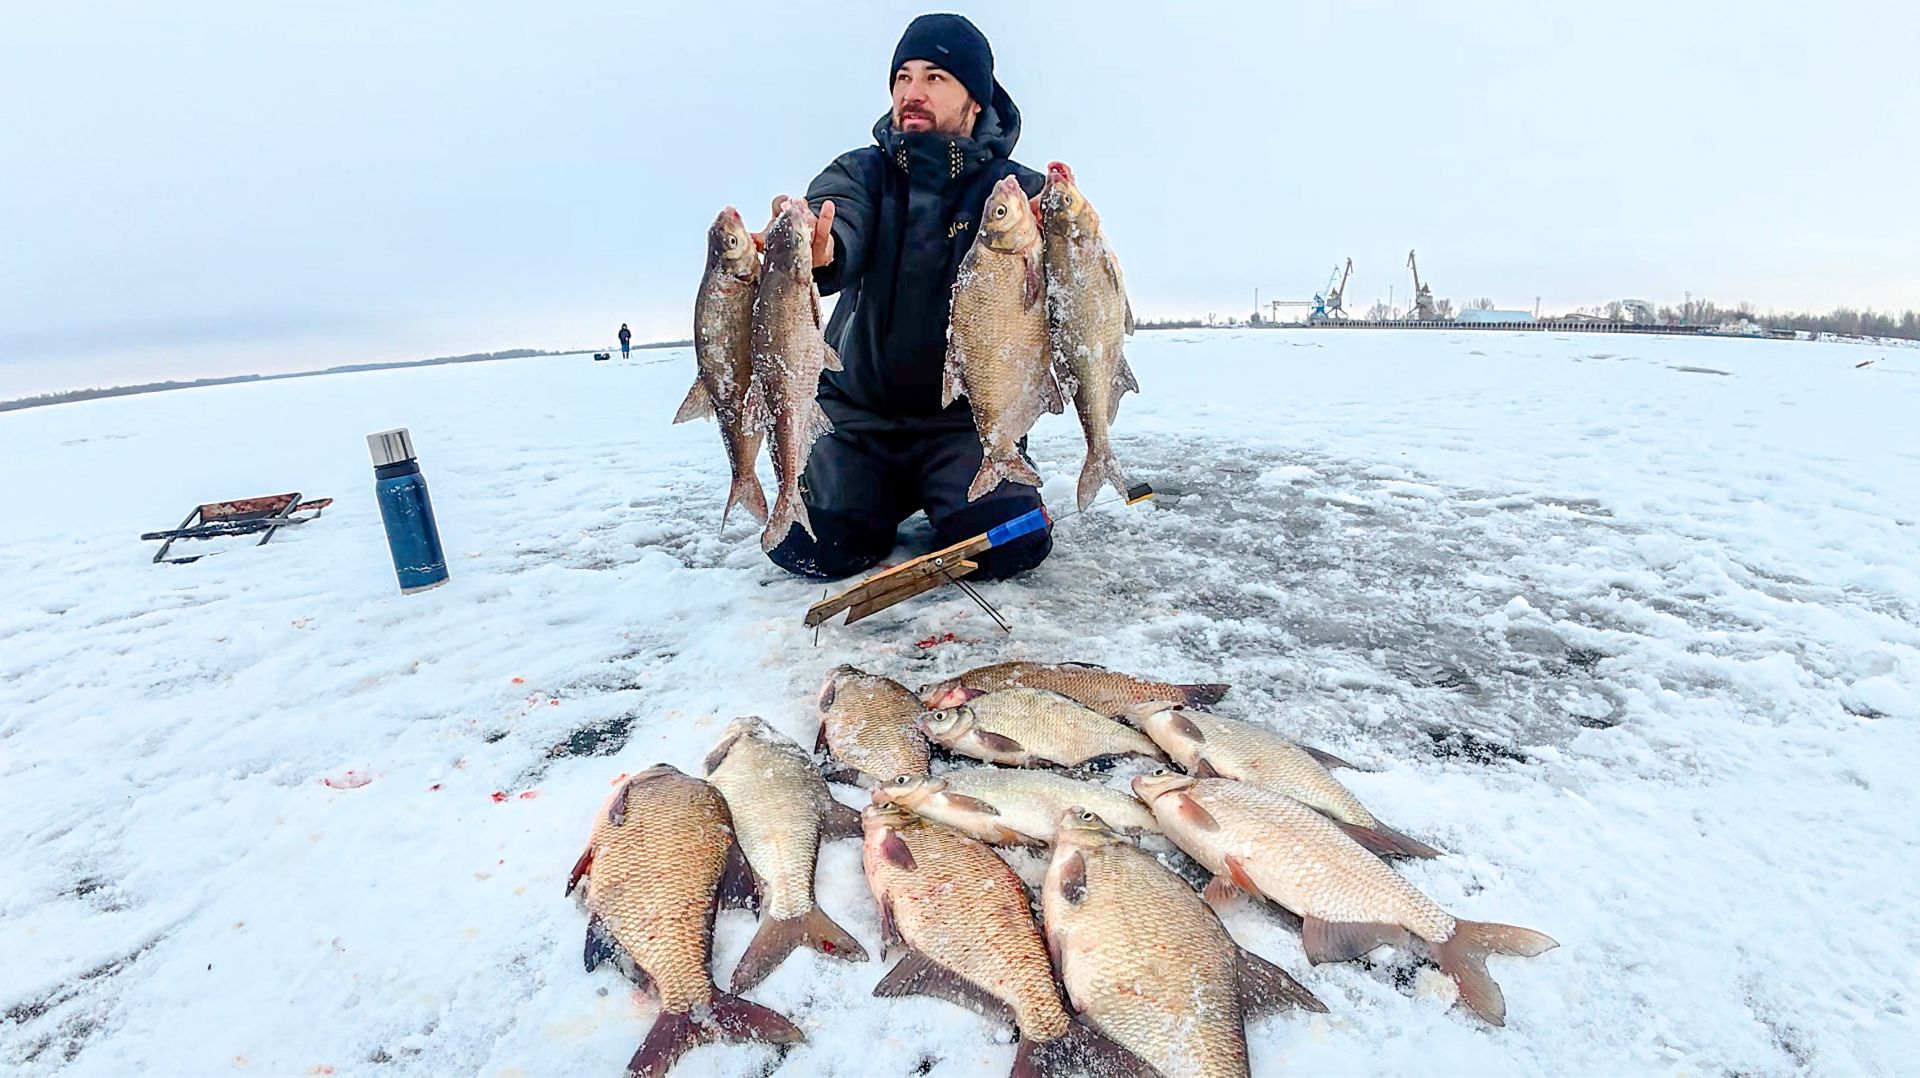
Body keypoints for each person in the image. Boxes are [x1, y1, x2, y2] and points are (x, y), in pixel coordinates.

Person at [763, 13, 1051, 582]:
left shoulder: (1017, 195)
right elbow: (840, 222)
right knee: (812, 548)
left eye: (936, 77)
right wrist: (819, 249)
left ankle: (977, 483)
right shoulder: (860, 172)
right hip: (856, 416)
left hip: (966, 421)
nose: (911, 93)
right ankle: (867, 495)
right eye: (902, 77)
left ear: (977, 99)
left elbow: (1066, 306)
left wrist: (1067, 249)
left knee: (1012, 542)